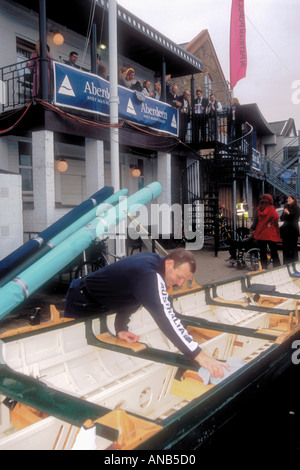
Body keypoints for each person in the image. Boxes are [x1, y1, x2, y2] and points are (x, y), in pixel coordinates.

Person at [64, 248, 229, 379]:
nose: (179, 284)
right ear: (169, 263)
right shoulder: (149, 275)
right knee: (77, 350)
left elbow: (132, 295)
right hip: (82, 299)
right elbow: (165, 317)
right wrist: (199, 355)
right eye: (179, 277)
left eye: (183, 280)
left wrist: (120, 327)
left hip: (102, 302)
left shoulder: (154, 266)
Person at [252, 194, 281, 269]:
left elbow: (256, 221)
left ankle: (264, 268)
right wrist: (270, 223)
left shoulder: (259, 209)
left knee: (262, 252)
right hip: (270, 233)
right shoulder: (271, 208)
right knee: (274, 251)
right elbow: (276, 217)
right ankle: (277, 267)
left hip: (261, 233)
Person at [280, 196, 300, 264]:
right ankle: (286, 263)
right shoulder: (286, 207)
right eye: (287, 198)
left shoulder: (296, 208)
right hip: (286, 231)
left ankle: (294, 263)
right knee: (285, 248)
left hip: (293, 231)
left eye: (289, 198)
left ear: (293, 200)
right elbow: (282, 218)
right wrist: (285, 212)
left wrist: (288, 213)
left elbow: (294, 218)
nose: (287, 199)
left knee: (293, 248)